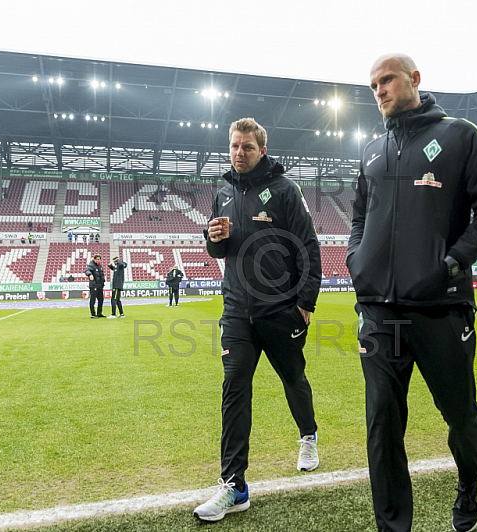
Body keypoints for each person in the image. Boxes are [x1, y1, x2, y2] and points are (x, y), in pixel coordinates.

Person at [348, 54, 477, 532]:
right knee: (382, 424)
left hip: (441, 307)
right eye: (373, 84)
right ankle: (392, 527)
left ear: (414, 80)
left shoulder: (460, 136)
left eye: (387, 80)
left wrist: (452, 263)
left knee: (460, 417)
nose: (379, 90)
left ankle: (468, 482)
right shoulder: (371, 151)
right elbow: (358, 219)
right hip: (379, 312)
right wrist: (357, 260)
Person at [193, 117, 322, 522]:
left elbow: (309, 246)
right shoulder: (223, 192)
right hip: (236, 311)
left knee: (293, 379)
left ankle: (308, 436)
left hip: (280, 310)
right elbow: (221, 250)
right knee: (234, 389)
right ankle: (234, 485)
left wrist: (305, 304)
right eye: (233, 146)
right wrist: (212, 239)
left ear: (262, 150)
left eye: (247, 147)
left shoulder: (285, 190)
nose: (239, 153)